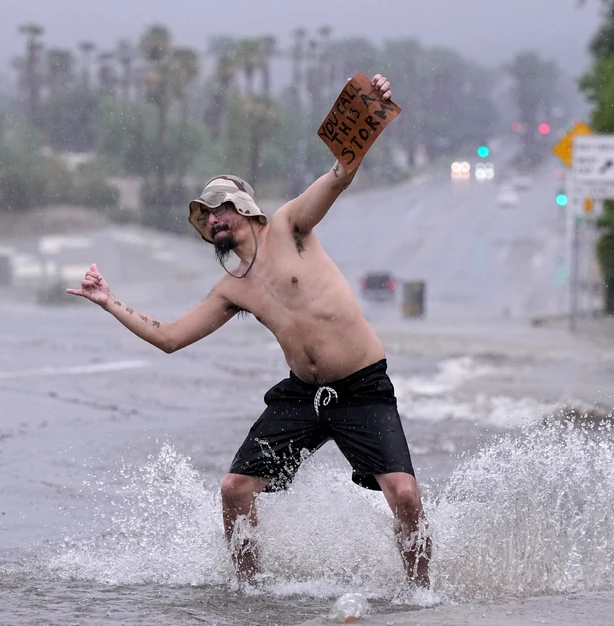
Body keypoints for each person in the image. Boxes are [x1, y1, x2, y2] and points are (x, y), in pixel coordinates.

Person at [68, 73, 431, 587]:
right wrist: (109, 302)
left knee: (406, 494)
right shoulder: (232, 287)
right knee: (235, 489)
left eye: (220, 208)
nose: (212, 218)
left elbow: (340, 173)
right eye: (205, 214)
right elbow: (170, 338)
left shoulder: (291, 226)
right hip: (302, 396)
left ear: (244, 208)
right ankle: (249, 588)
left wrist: (371, 107)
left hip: (362, 388)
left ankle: (421, 595)